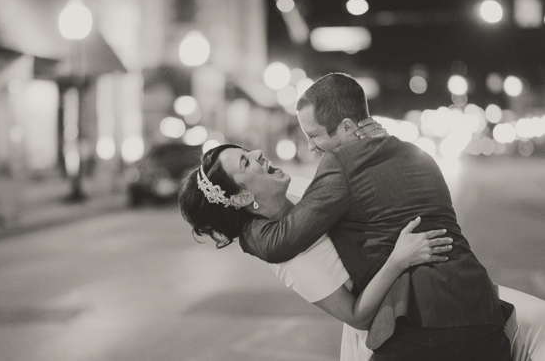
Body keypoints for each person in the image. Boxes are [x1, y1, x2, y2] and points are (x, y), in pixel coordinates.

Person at [179, 143, 545, 360]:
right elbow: (356, 316)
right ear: (243, 197)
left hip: (430, 289)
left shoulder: (296, 195)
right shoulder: (291, 259)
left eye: (247, 151)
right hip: (392, 325)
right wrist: (399, 257)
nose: (257, 153)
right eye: (245, 162)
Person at [236, 72, 511, 360]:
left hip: (424, 327)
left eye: (314, 135)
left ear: (345, 127)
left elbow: (282, 241)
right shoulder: (419, 154)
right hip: (485, 315)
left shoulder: (341, 162)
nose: (311, 146)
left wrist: (238, 224)